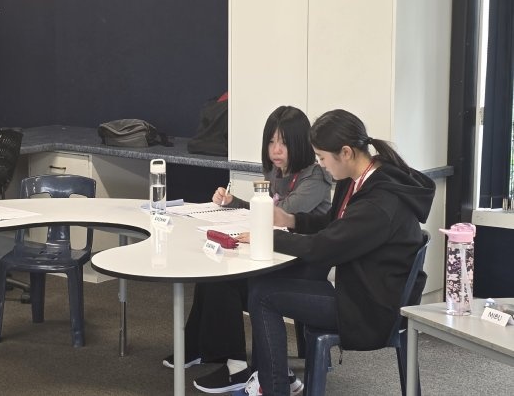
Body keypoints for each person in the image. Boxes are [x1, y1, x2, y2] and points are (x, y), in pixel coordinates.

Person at [239, 109, 435, 396]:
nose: (321, 165)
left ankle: (275, 388)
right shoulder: (358, 178)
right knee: (265, 282)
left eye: (322, 158)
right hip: (360, 286)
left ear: (345, 152)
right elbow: (336, 225)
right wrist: (292, 220)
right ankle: (273, 380)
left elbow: (323, 248)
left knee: (263, 295)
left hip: (370, 307)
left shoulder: (379, 202)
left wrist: (268, 238)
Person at [163, 106, 332, 394]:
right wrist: (234, 203)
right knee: (212, 270)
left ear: (300, 144)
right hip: (277, 254)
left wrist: (247, 209)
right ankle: (198, 347)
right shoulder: (278, 172)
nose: (276, 150)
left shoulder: (313, 178)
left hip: (301, 264)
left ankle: (237, 366)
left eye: (284, 143)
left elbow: (277, 215)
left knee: (224, 278)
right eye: (271, 141)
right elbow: (263, 212)